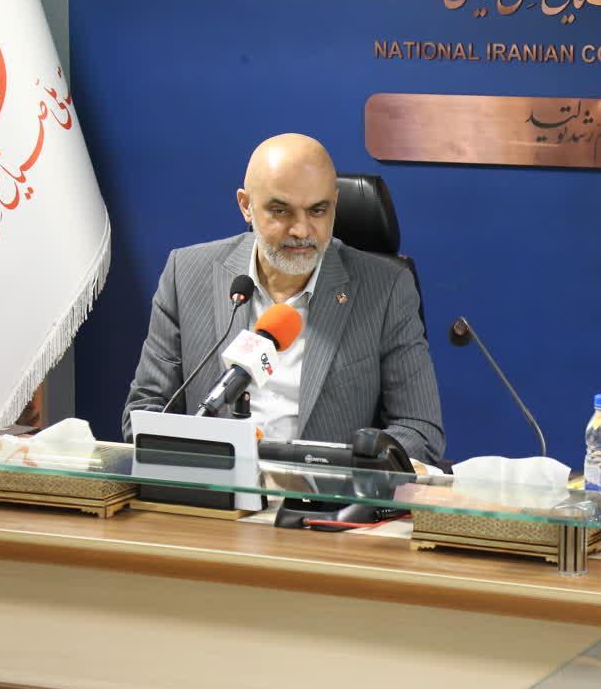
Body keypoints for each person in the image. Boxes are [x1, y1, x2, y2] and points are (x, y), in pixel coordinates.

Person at [121, 133, 445, 464]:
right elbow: (146, 410)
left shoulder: (386, 289)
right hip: (213, 486)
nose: (301, 230)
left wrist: (341, 470)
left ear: (334, 204)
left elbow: (420, 430)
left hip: (327, 492)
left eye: (318, 210)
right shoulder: (187, 274)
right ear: (246, 206)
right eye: (280, 210)